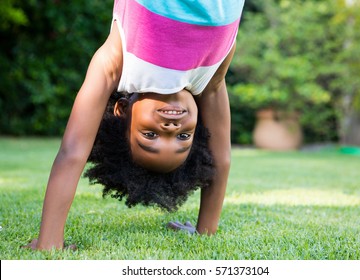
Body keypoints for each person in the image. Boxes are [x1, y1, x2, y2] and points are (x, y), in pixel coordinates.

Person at [25, 0, 245, 250]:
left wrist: (49, 242)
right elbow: (221, 158)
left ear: (123, 111)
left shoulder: (118, 64)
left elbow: (73, 152)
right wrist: (206, 230)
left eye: (150, 135)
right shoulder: (209, 78)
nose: (171, 129)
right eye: (184, 137)